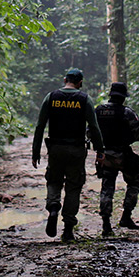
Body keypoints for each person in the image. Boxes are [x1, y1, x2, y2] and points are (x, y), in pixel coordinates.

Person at [32, 68, 105, 242]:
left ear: (65, 79)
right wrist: (100, 149)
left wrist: (35, 151)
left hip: (55, 149)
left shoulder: (51, 97)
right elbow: (94, 127)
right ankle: (68, 229)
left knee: (54, 180)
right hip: (76, 150)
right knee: (73, 186)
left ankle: (53, 206)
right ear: (80, 83)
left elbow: (40, 126)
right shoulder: (84, 99)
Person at [94, 82, 139, 236]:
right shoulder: (127, 113)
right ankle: (126, 216)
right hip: (123, 153)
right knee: (135, 182)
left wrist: (99, 148)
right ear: (123, 98)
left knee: (107, 187)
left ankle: (106, 224)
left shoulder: (98, 111)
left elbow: (90, 132)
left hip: (105, 155)